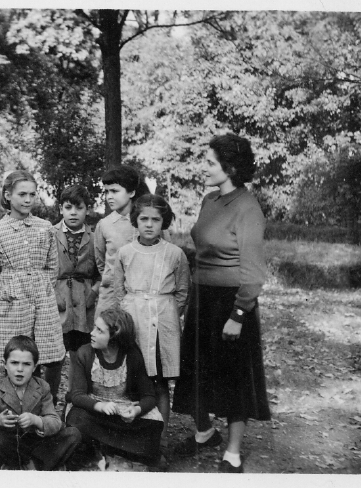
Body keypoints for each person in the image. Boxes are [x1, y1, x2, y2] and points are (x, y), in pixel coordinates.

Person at [172, 133, 270, 473]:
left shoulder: (248, 207)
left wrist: (239, 314)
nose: (205, 168)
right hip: (202, 299)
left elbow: (254, 271)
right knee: (196, 370)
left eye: (211, 162)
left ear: (229, 166)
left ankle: (233, 451)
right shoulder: (209, 200)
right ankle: (205, 433)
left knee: (234, 378)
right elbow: (202, 250)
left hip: (231, 304)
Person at [113, 194, 190, 446]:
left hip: (161, 325)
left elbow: (181, 292)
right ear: (135, 220)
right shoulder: (125, 252)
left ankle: (160, 438)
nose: (149, 224)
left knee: (158, 384)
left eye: (155, 220)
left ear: (163, 222)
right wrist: (132, 313)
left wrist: (163, 311)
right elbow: (118, 290)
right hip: (133, 323)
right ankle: (132, 437)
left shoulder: (175, 254)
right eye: (143, 219)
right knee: (133, 381)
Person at [0, 170, 65, 389]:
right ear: (7, 195)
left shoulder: (45, 227)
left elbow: (52, 267)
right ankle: (11, 406)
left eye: (32, 195)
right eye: (22, 194)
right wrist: (5, 290)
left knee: (46, 354)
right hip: (10, 303)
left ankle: (45, 405)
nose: (28, 200)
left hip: (42, 301)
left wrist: (40, 286)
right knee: (14, 353)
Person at [66, 308, 164, 471]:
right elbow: (77, 395)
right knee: (76, 419)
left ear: (115, 337)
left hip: (122, 411)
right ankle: (120, 450)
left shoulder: (132, 355)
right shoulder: (85, 353)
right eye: (94, 328)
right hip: (94, 409)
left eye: (99, 330)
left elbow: (149, 396)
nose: (92, 333)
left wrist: (136, 411)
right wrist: (101, 406)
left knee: (154, 423)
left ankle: (105, 448)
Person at [0, 336, 81, 471]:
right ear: (5, 364)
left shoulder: (42, 387)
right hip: (10, 442)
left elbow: (55, 421)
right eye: (14, 363)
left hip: (36, 443)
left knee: (73, 434)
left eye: (26, 364)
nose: (20, 369)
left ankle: (27, 466)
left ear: (34, 367)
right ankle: (32, 466)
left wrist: (36, 420)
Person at [51, 184, 100, 405]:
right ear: (61, 209)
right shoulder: (50, 233)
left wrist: (94, 292)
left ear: (87, 210)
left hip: (84, 303)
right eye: (68, 207)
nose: (73, 212)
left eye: (78, 208)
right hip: (57, 301)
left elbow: (103, 271)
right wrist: (52, 294)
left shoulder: (95, 236)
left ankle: (76, 399)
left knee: (80, 353)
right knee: (54, 355)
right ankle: (48, 400)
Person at [94, 166, 151, 314]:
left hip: (142, 293)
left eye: (115, 191)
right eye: (106, 191)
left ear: (131, 192)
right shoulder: (104, 225)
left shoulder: (149, 222)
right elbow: (101, 262)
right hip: (110, 296)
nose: (109, 196)